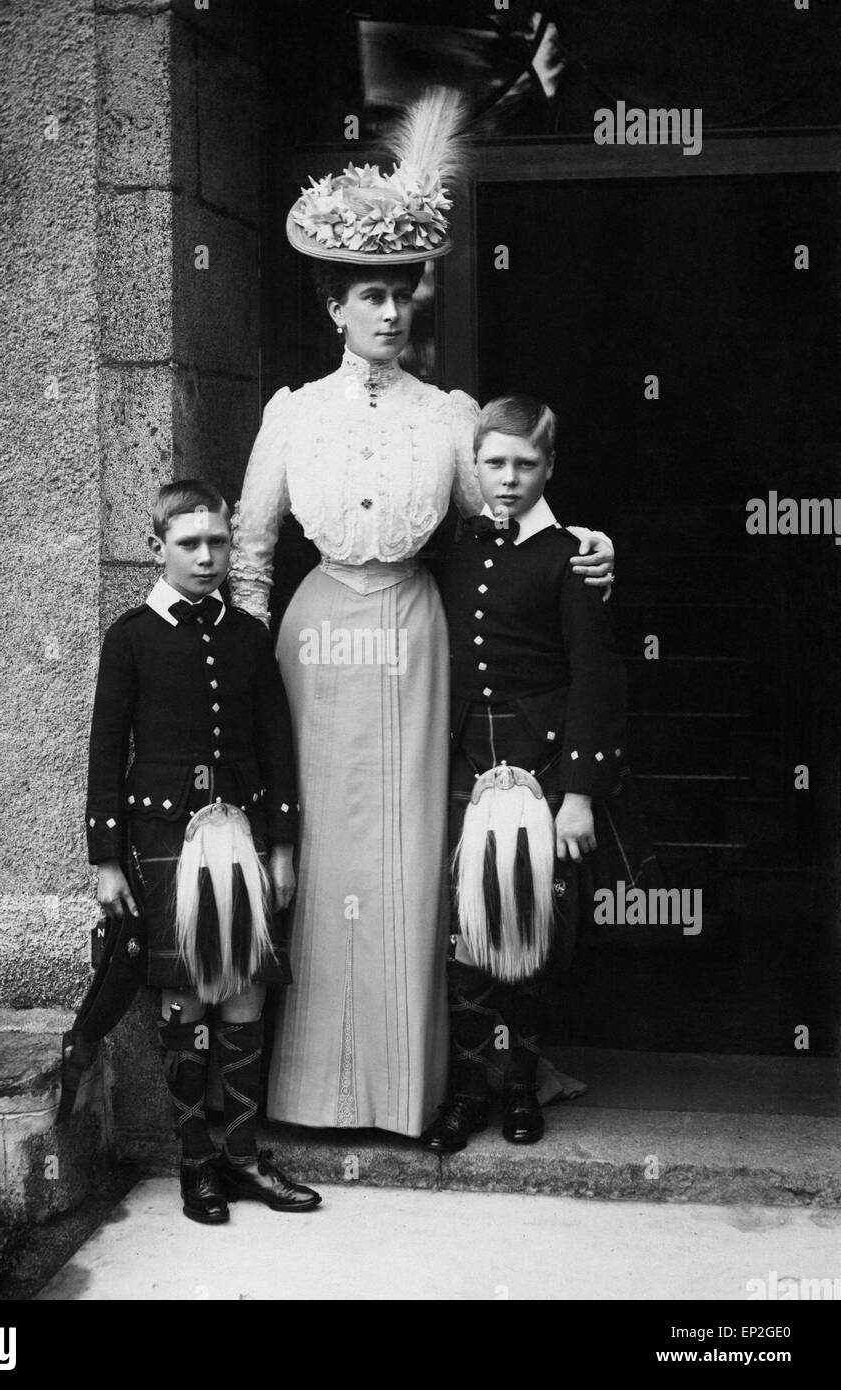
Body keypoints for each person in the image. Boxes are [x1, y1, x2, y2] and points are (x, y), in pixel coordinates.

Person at [229, 89, 615, 1138]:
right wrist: (245, 684)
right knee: (318, 855)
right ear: (332, 306)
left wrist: (585, 549)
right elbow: (255, 553)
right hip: (314, 642)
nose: (390, 313)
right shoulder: (291, 414)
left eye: (402, 294)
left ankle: (409, 1088)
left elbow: (510, 507)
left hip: (412, 637)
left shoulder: (448, 418)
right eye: (369, 295)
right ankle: (312, 1091)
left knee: (406, 859)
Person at [80, 479, 321, 1223]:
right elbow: (104, 748)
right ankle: (197, 1164)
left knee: (244, 985)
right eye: (190, 543)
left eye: (218, 540)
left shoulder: (250, 636)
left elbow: (278, 747)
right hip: (161, 840)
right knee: (185, 999)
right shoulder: (130, 637)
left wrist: (283, 846)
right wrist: (106, 858)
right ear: (159, 548)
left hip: (241, 835)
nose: (208, 555)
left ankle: (245, 1159)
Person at [421, 394, 627, 1153]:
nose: (508, 479)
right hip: (468, 765)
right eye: (495, 463)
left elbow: (595, 676)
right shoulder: (457, 547)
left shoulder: (572, 553)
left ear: (550, 467)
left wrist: (578, 797)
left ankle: (520, 1088)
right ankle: (467, 1092)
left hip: (542, 770)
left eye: (525, 464)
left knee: (530, 932)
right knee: (468, 936)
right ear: (474, 467)